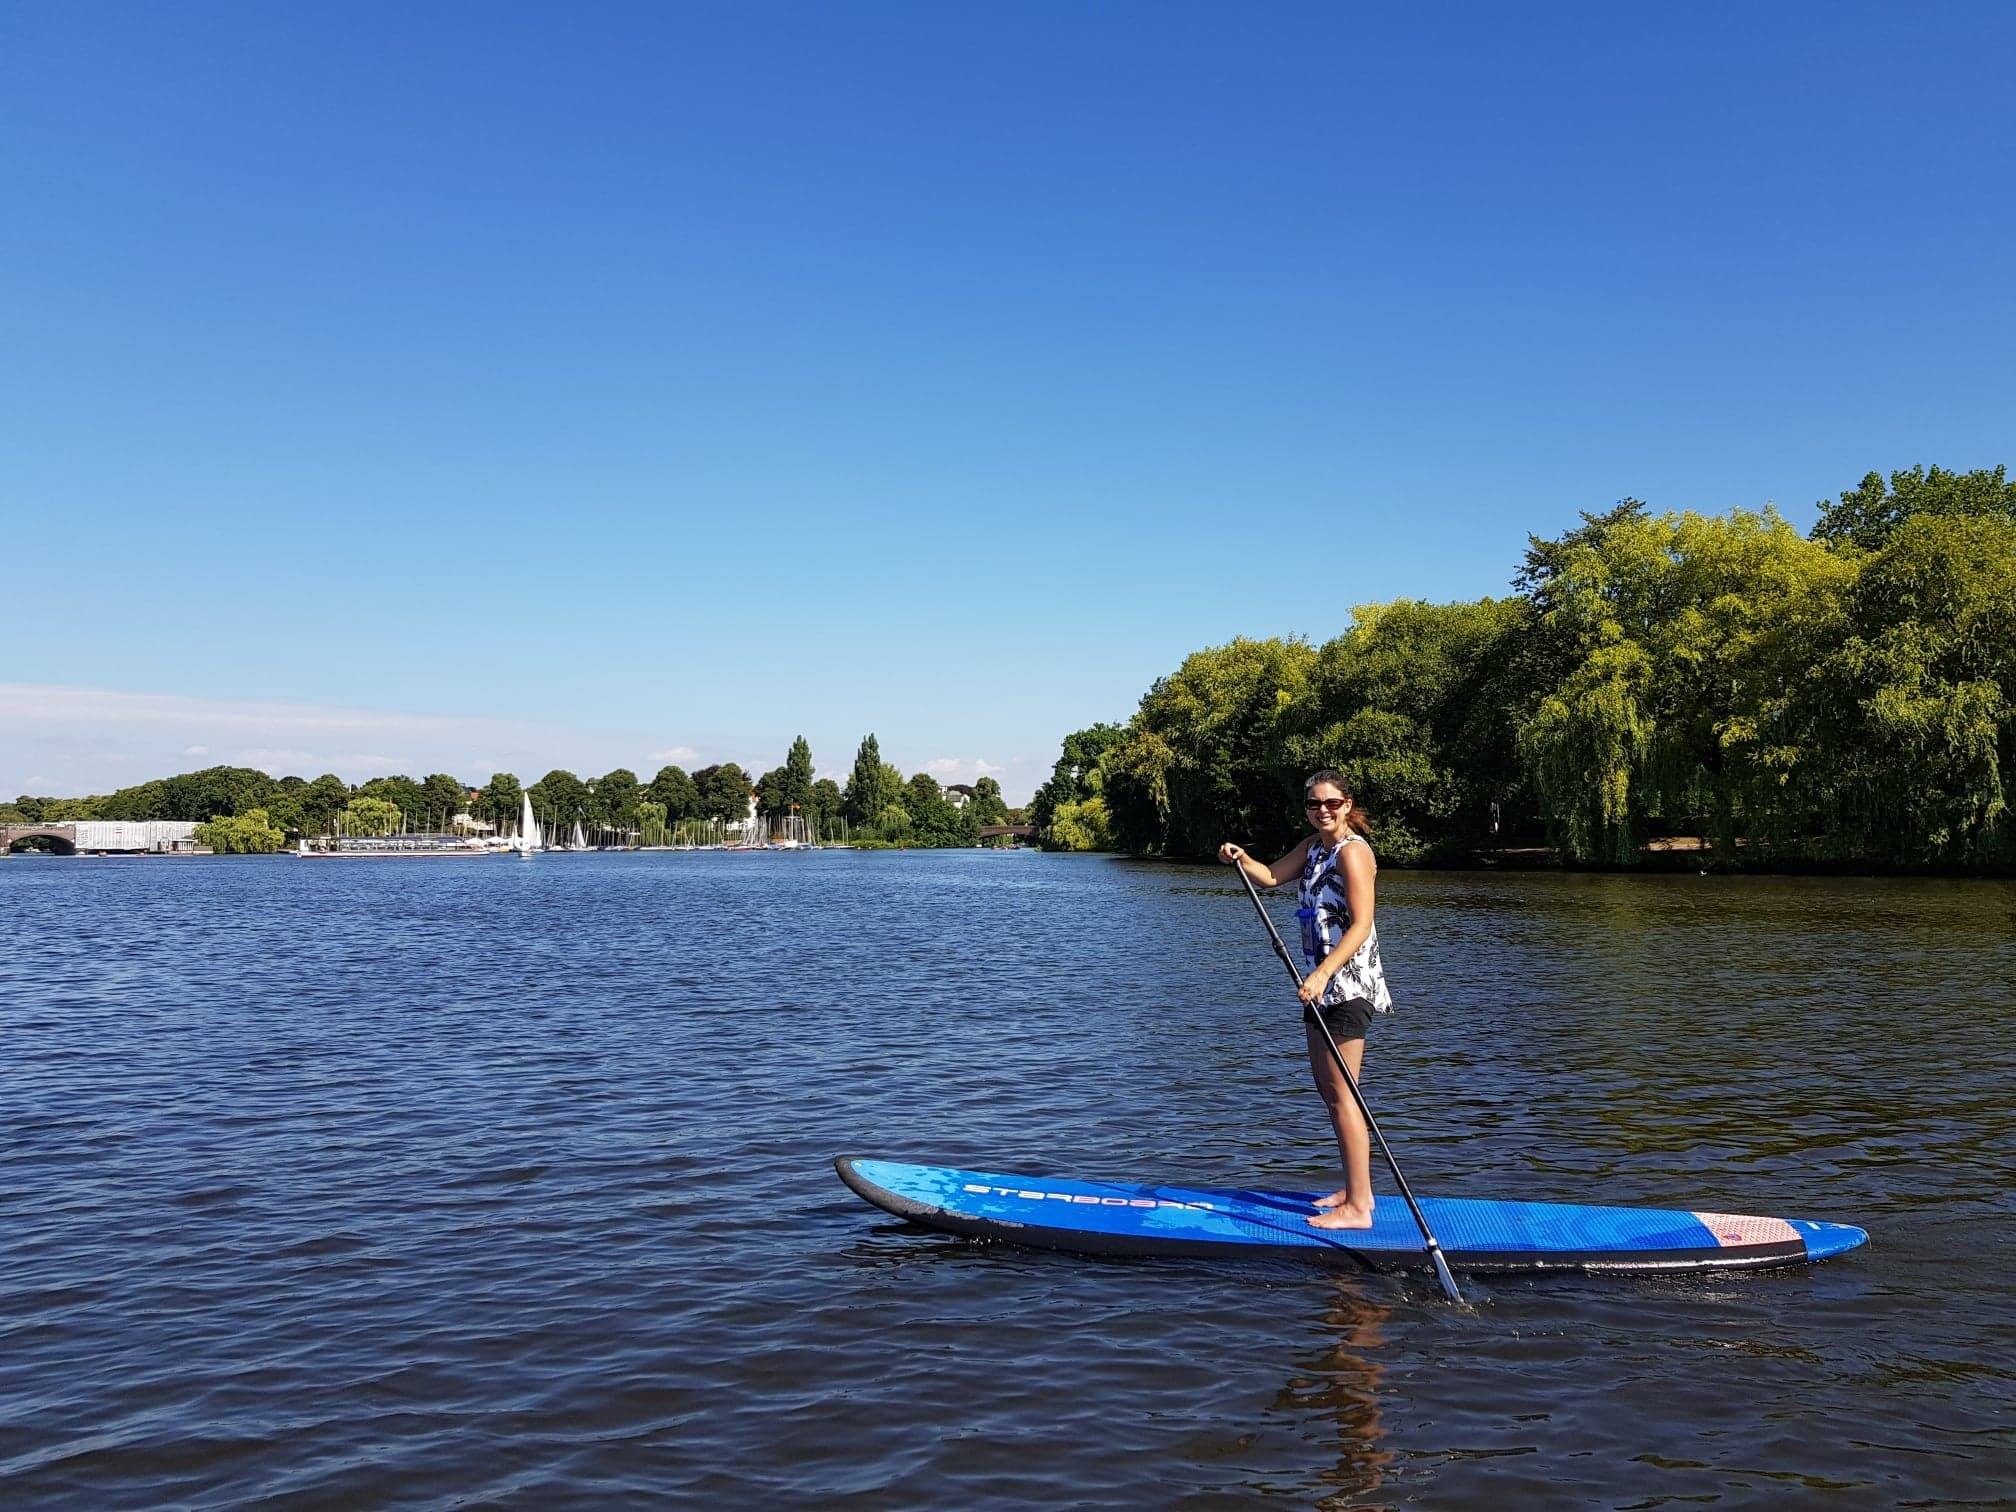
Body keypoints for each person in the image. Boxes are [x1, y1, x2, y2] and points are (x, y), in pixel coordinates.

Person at [1219, 770, 1393, 1230]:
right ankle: (1359, 1191)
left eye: (1332, 804)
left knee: (1343, 1094)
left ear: (1347, 804)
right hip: (1320, 988)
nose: (1323, 811)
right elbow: (1271, 877)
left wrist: (1321, 973)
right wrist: (1242, 857)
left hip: (1347, 985)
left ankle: (1358, 1209)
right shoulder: (1314, 847)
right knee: (1328, 1090)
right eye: (1315, 804)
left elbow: (1361, 926)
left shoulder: (1353, 854)